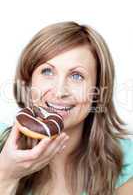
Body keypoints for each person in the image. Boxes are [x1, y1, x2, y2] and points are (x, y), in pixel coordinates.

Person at [0, 21, 133, 195]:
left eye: (77, 76)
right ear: (29, 80)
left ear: (97, 90)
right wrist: (5, 175)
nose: (60, 91)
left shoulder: (123, 157)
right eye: (47, 72)